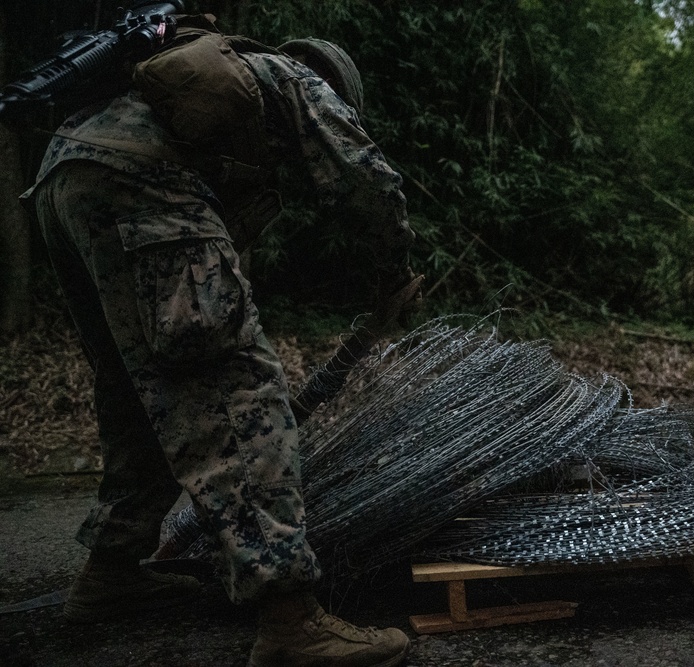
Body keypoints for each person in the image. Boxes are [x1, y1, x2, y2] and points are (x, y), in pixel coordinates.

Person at [21, 13, 418, 667]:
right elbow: (366, 179)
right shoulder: (296, 81)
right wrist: (396, 270)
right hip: (134, 186)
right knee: (233, 390)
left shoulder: (206, 101)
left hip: (63, 179)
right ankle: (291, 618)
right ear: (336, 85)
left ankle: (113, 569)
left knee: (136, 386)